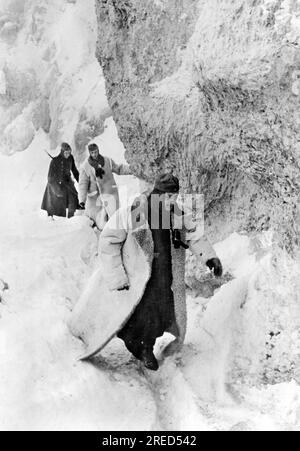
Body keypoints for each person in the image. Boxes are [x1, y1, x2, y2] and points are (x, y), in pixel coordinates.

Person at [70, 174, 223, 371]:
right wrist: (116, 276)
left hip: (165, 274)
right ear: (156, 193)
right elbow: (108, 241)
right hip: (139, 276)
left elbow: (195, 236)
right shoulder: (135, 212)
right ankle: (143, 348)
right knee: (143, 312)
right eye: (166, 196)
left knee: (165, 312)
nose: (171, 200)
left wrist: (210, 258)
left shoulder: (177, 213)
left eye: (173, 196)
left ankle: (144, 343)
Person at [78, 143, 132, 230]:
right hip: (95, 200)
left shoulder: (107, 161)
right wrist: (82, 200)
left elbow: (119, 169)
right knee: (100, 224)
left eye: (96, 152)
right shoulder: (85, 167)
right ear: (90, 153)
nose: (94, 154)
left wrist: (133, 169)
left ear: (98, 150)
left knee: (115, 221)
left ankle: (116, 237)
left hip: (111, 194)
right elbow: (83, 185)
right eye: (92, 153)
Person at [41, 143, 80, 219]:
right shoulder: (54, 161)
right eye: (66, 153)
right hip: (54, 184)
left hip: (67, 182)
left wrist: (80, 182)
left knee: (73, 198)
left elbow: (74, 171)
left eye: (69, 153)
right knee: (54, 202)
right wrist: (57, 190)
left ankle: (71, 219)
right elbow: (50, 178)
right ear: (62, 152)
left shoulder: (70, 158)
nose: (68, 155)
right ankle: (51, 219)